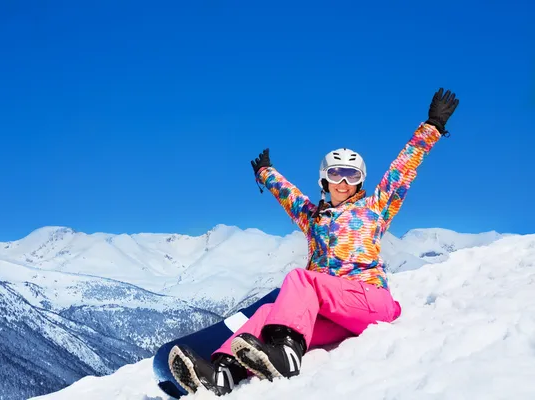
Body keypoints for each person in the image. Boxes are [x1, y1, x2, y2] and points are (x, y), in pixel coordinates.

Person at [167, 88, 460, 396]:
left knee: (302, 279)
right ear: (325, 179)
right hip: (335, 317)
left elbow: (401, 172)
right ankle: (222, 373)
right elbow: (289, 197)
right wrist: (266, 173)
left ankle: (288, 355)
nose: (344, 182)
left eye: (351, 175)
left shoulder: (375, 208)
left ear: (360, 180)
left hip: (370, 302)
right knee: (266, 315)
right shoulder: (314, 218)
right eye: (337, 174)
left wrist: (433, 126)